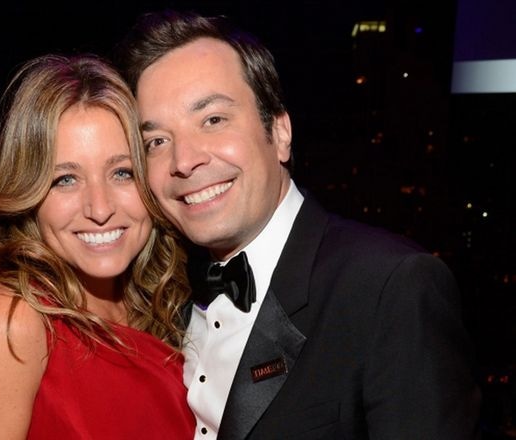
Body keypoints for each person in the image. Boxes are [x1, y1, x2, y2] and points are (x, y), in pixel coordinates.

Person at [115, 10, 481, 439]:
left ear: (280, 132)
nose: (184, 160)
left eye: (213, 120)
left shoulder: (390, 288)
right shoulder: (158, 297)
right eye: (157, 141)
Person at [0, 53, 195, 439]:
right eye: (65, 179)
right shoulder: (9, 321)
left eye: (122, 173)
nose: (100, 209)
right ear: (29, 193)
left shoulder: (165, 308)